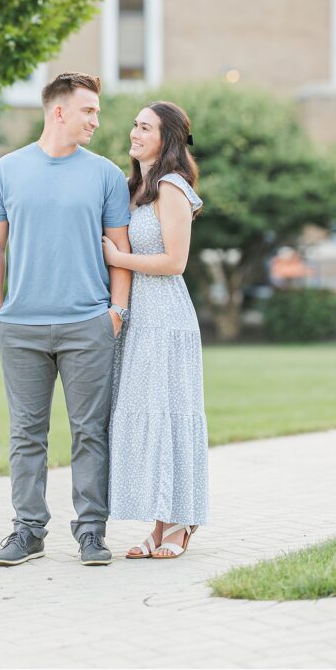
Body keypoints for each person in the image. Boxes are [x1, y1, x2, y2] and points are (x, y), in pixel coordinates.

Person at [0, 72, 132, 567]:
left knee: (90, 431)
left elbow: (120, 252)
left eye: (97, 111)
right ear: (59, 111)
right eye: (88, 110)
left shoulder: (107, 175)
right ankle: (28, 531)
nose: (96, 120)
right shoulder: (6, 170)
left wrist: (116, 313)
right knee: (26, 434)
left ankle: (91, 531)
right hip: (20, 327)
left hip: (88, 324)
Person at [102, 100, 209, 559]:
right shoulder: (134, 189)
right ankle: (159, 521)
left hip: (165, 317)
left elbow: (174, 262)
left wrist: (117, 258)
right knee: (145, 416)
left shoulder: (171, 188)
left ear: (166, 139)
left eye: (144, 127)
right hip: (136, 318)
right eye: (134, 125)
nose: (134, 132)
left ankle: (181, 521)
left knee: (168, 413)